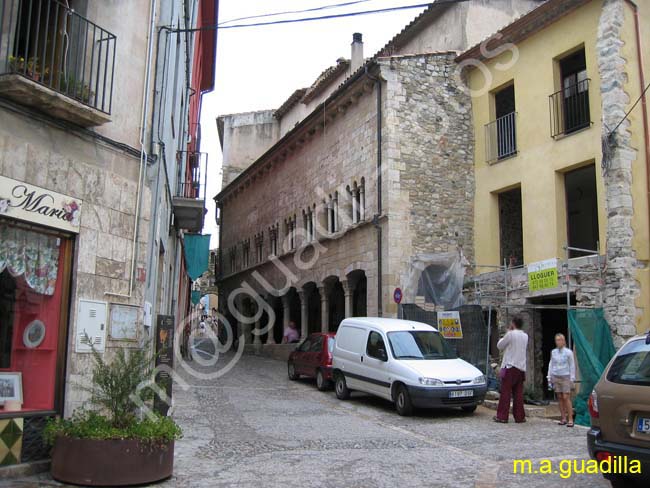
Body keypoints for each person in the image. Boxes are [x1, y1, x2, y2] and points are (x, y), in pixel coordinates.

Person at [494, 316, 529, 424]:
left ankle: (502, 416)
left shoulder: (511, 334)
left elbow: (500, 346)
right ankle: (520, 416)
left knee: (506, 392)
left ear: (513, 324)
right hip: (521, 367)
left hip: (510, 366)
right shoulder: (525, 336)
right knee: (518, 393)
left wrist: (508, 331)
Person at [547, 333, 576, 427]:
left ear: (564, 341)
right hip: (556, 375)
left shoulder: (568, 352)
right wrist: (549, 376)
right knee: (559, 396)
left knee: (566, 397)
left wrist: (572, 378)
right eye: (557, 340)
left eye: (560, 340)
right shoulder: (554, 352)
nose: (558, 342)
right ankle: (563, 417)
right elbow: (551, 364)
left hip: (565, 375)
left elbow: (572, 365)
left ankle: (570, 418)